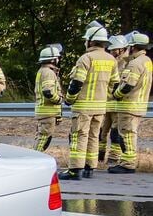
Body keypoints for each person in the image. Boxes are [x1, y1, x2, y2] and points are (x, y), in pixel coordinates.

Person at [60, 20, 120, 180]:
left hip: (83, 107)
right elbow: (115, 85)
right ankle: (89, 168)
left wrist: (69, 99)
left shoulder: (86, 59)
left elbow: (76, 83)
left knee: (79, 136)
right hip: (100, 107)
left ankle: (75, 170)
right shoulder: (111, 60)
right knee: (94, 136)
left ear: (91, 41)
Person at [108, 31, 152, 174]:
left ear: (133, 47)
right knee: (130, 134)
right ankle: (127, 161)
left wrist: (116, 94)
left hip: (129, 106)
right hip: (138, 104)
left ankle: (128, 164)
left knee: (126, 135)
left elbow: (127, 86)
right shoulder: (147, 61)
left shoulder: (134, 64)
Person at [100, 34, 130, 164]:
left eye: (114, 49)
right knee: (102, 132)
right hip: (108, 103)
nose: (111, 52)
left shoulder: (126, 64)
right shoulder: (113, 61)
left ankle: (113, 158)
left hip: (118, 104)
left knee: (115, 133)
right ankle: (100, 156)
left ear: (122, 49)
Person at [33, 44, 63, 152]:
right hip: (48, 112)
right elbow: (48, 91)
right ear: (54, 59)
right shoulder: (48, 72)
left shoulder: (43, 71)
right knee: (44, 138)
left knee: (42, 137)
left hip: (45, 112)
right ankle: (36, 158)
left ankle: (36, 157)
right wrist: (59, 100)